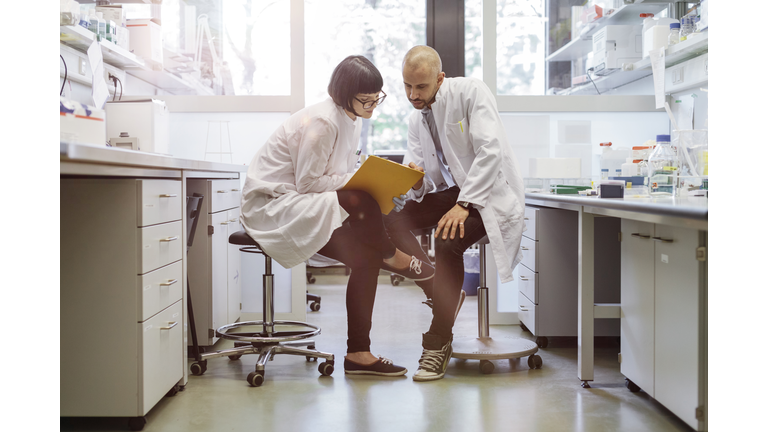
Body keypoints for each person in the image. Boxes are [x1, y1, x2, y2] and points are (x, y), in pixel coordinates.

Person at [240, 55, 434, 377]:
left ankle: (358, 353)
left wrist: (377, 178)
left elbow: (337, 174)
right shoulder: (323, 122)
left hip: (306, 201)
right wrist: (361, 182)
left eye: (377, 98)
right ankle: (399, 259)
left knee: (366, 255)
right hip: (274, 206)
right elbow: (308, 183)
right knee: (362, 200)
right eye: (366, 100)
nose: (373, 105)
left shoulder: (352, 118)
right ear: (345, 95)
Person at [384, 46, 526, 382]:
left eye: (420, 87)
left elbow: (489, 151)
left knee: (448, 239)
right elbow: (425, 182)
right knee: (390, 219)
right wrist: (413, 179)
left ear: (440, 78)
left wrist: (464, 205)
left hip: (489, 193)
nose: (412, 95)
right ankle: (437, 287)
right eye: (406, 86)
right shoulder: (416, 118)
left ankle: (438, 344)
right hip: (454, 191)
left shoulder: (471, 92)